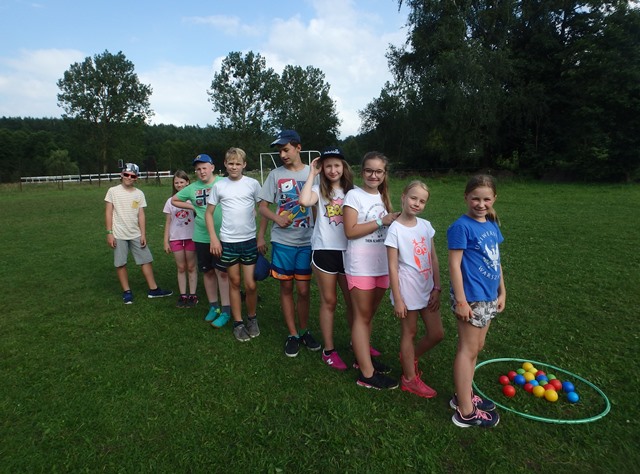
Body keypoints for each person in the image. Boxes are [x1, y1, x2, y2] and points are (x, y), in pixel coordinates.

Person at [448, 174, 506, 428]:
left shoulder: (491, 224)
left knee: (477, 347)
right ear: (466, 197)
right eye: (475, 199)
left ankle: (463, 394)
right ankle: (465, 411)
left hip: (489, 296)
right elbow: (454, 265)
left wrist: (502, 291)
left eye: (486, 199)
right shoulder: (461, 227)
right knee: (468, 349)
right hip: (471, 297)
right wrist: (461, 301)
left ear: (494, 199)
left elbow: (496, 261)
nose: (481, 204)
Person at [257, 129, 321, 357]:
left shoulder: (313, 174)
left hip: (307, 241)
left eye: (286, 149)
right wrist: (275, 220)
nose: (282, 155)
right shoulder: (275, 175)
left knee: (303, 290)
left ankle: (304, 331)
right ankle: (292, 334)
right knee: (286, 288)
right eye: (280, 151)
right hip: (283, 242)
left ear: (298, 148)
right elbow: (263, 207)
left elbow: (320, 206)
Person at [343, 151, 400, 389]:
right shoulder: (354, 196)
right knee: (362, 316)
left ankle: (363, 357)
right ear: (362, 171)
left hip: (382, 265)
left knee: (369, 316)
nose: (373, 175)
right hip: (360, 265)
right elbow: (350, 231)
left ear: (384, 174)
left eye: (378, 171)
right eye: (369, 170)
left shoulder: (383, 196)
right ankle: (366, 374)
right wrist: (380, 221)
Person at [385, 180, 444, 398]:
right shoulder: (395, 230)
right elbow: (392, 267)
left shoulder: (426, 226)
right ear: (403, 196)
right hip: (407, 290)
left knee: (437, 333)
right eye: (413, 198)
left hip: (427, 288)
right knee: (409, 332)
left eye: (422, 201)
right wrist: (398, 299)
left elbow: (433, 258)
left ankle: (409, 357)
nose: (417, 203)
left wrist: (437, 287)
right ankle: (409, 379)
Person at [299, 146, 354, 370]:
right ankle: (329, 350)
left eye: (336, 165)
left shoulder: (353, 192)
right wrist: (312, 173)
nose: (333, 170)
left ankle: (357, 342)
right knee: (329, 301)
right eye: (328, 166)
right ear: (322, 168)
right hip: (324, 251)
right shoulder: (317, 190)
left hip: (350, 252)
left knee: (353, 302)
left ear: (343, 167)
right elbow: (304, 201)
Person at [205, 147, 262, 342]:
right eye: (231, 163)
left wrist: (261, 236)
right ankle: (238, 323)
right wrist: (214, 239)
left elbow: (262, 208)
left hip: (249, 241)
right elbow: (209, 213)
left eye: (238, 163)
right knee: (234, 282)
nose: (234, 167)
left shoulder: (253, 184)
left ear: (244, 164)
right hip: (228, 242)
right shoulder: (219, 186)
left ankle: (252, 318)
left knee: (250, 284)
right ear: (225, 164)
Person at [171, 154, 230, 327]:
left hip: (223, 235)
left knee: (223, 273)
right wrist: (191, 206)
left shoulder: (223, 182)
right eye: (198, 169)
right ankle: (214, 307)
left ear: (212, 167)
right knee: (208, 272)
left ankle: (226, 310)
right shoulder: (192, 188)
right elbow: (175, 200)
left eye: (204, 168)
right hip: (202, 236)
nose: (202, 171)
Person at [105, 162, 172, 304]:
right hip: (118, 234)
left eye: (132, 176)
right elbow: (108, 212)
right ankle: (127, 291)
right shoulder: (112, 191)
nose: (129, 178)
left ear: (136, 178)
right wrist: (109, 232)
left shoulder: (139, 193)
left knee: (146, 260)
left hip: (135, 233)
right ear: (121, 175)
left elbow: (141, 215)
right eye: (126, 174)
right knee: (120, 263)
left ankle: (153, 289)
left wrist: (143, 234)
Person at [163, 170, 198, 308]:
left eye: (182, 182)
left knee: (191, 267)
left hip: (191, 237)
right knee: (181, 267)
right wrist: (165, 241)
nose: (179, 185)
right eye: (176, 182)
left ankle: (193, 295)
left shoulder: (193, 199)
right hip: (176, 238)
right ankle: (183, 295)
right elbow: (168, 222)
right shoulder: (170, 201)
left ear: (187, 182)